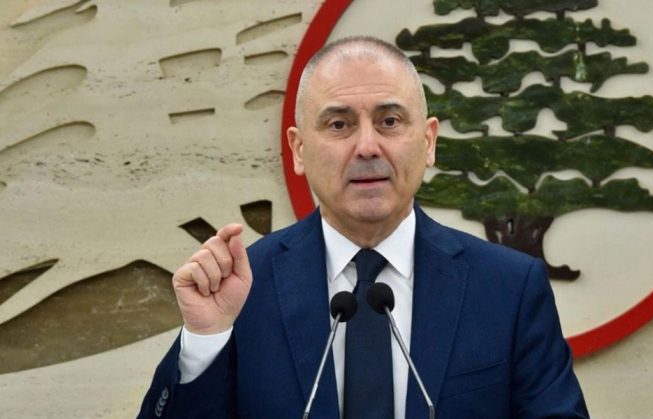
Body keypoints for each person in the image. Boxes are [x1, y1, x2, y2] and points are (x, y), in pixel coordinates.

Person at [138, 36, 588, 418]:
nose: (367, 146)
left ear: (429, 141)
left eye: (390, 121)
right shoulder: (243, 289)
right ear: (298, 150)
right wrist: (205, 341)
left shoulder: (509, 288)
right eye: (339, 124)